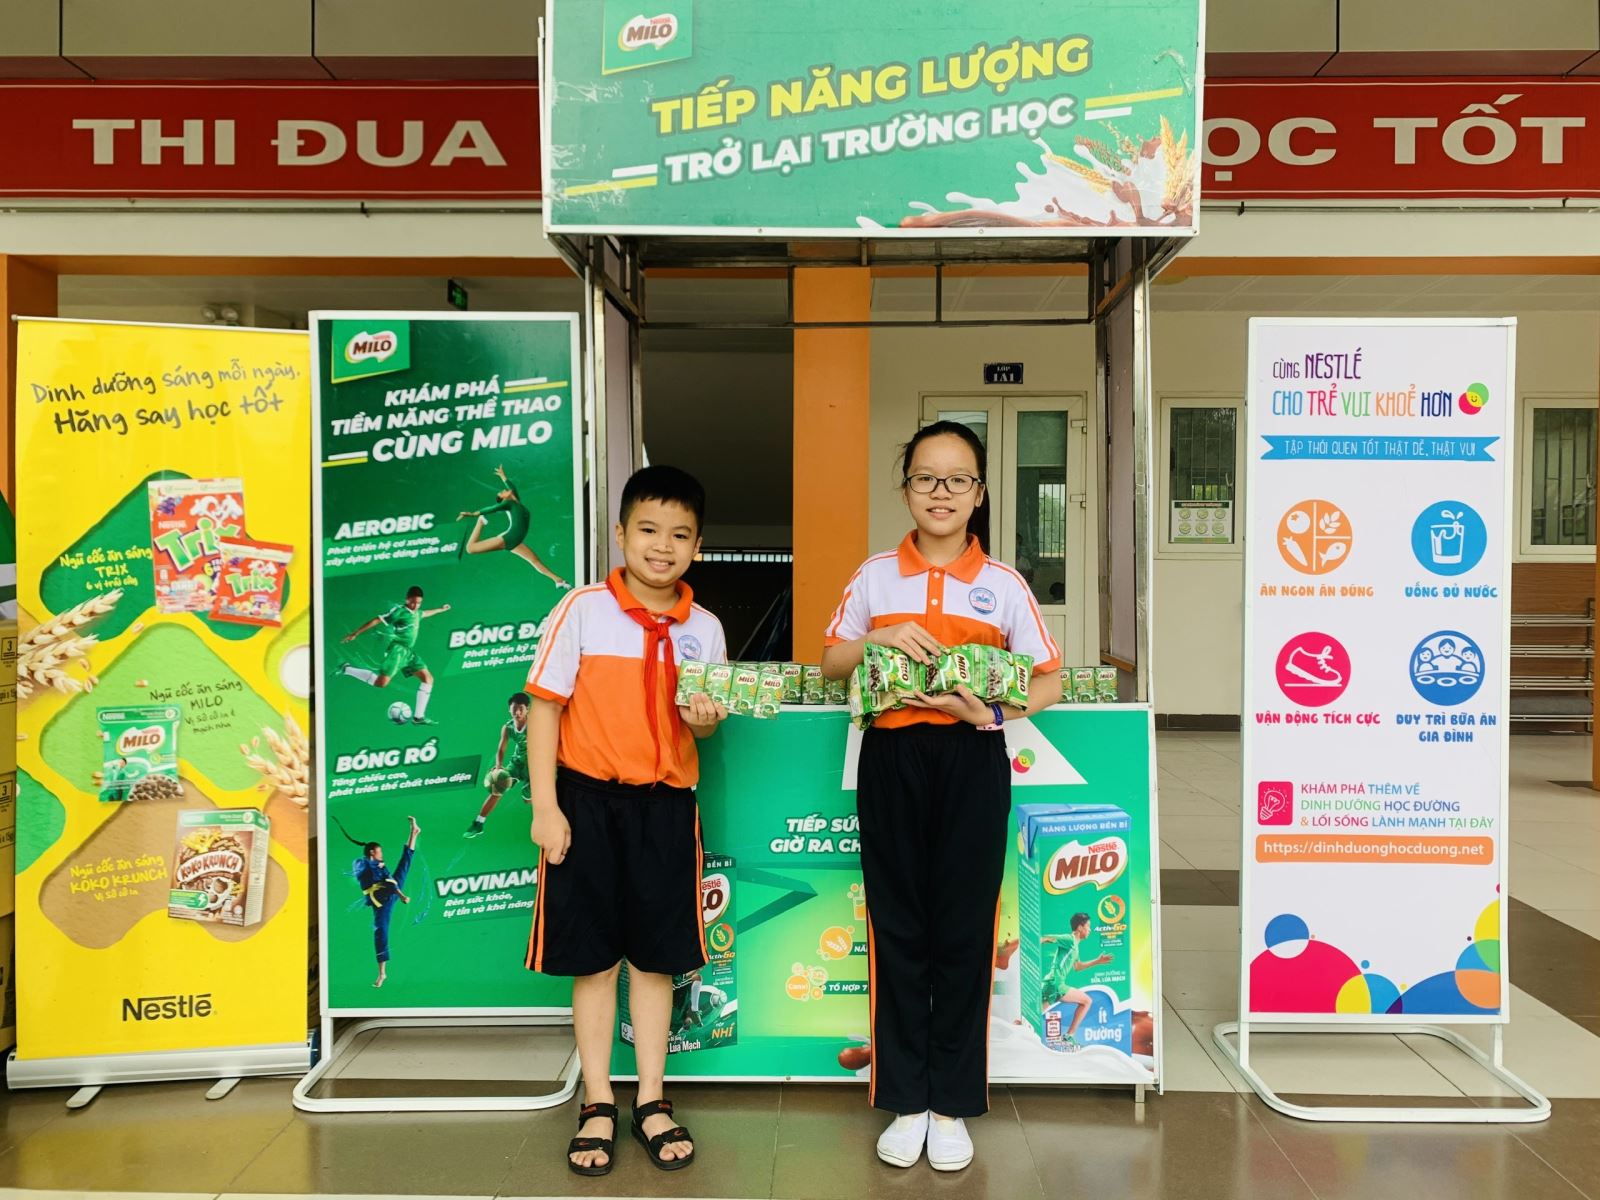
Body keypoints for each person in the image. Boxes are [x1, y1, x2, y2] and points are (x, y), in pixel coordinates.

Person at [821, 420, 1062, 1173]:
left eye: (958, 480)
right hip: (891, 754)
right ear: (906, 489)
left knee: (962, 928)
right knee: (898, 924)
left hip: (971, 756)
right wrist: (880, 640)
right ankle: (905, 1099)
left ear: (979, 493)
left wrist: (989, 714)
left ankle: (951, 1102)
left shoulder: (1005, 585)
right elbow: (831, 661)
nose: (942, 493)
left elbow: (1048, 679)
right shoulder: (873, 577)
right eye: (927, 478)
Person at [524, 465, 729, 1177]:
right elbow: (543, 708)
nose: (662, 546)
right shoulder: (582, 609)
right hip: (586, 805)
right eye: (648, 529)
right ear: (620, 534)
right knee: (593, 962)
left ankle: (650, 1099)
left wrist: (705, 719)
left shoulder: (705, 628)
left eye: (680, 535)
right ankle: (596, 1101)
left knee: (655, 960)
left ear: (697, 545)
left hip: (666, 809)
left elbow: (704, 729)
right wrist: (545, 807)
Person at [338, 586, 451, 725]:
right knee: (381, 683)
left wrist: (441, 609)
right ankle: (346, 669)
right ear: (407, 599)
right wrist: (355, 633)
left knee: (428, 679)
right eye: (413, 602)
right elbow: (377, 620)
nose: (415, 605)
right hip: (397, 651)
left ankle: (418, 717)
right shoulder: (399, 612)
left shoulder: (417, 613)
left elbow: (426, 613)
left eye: (418, 603)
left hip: (408, 652)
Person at [334, 815, 421, 989]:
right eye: (380, 852)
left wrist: (400, 894)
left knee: (404, 864)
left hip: (389, 892)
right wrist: (401, 895)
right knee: (381, 932)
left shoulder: (379, 865)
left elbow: (390, 882)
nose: (382, 855)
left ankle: (414, 832)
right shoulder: (362, 863)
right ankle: (382, 973)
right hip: (381, 900)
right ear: (372, 852)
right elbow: (379, 881)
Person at [458, 464, 572, 589]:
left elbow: (512, 488)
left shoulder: (516, 501)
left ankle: (558, 580)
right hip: (509, 538)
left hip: (516, 541)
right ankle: (480, 521)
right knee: (470, 549)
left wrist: (503, 476)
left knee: (534, 560)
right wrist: (474, 514)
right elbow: (492, 508)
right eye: (502, 493)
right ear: (503, 498)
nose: (504, 490)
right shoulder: (508, 503)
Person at [1041, 913, 1114, 1050]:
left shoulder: (1075, 945)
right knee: (1087, 1001)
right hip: (1056, 983)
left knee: (1037, 1012)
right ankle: (1069, 1036)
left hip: (1050, 982)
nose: (1090, 930)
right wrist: (1032, 942)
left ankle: (1018, 1027)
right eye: (1088, 926)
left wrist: (1098, 961)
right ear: (1080, 927)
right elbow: (1048, 938)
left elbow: (1077, 967)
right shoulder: (1070, 939)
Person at [466, 692, 533, 838]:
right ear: (509, 709)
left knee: (527, 800)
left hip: (534, 767)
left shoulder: (536, 724)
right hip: (517, 764)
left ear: (527, 709)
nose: (517, 712)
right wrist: (498, 766)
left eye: (521, 709)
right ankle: (478, 823)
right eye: (514, 709)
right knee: (498, 787)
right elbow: (501, 749)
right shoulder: (508, 727)